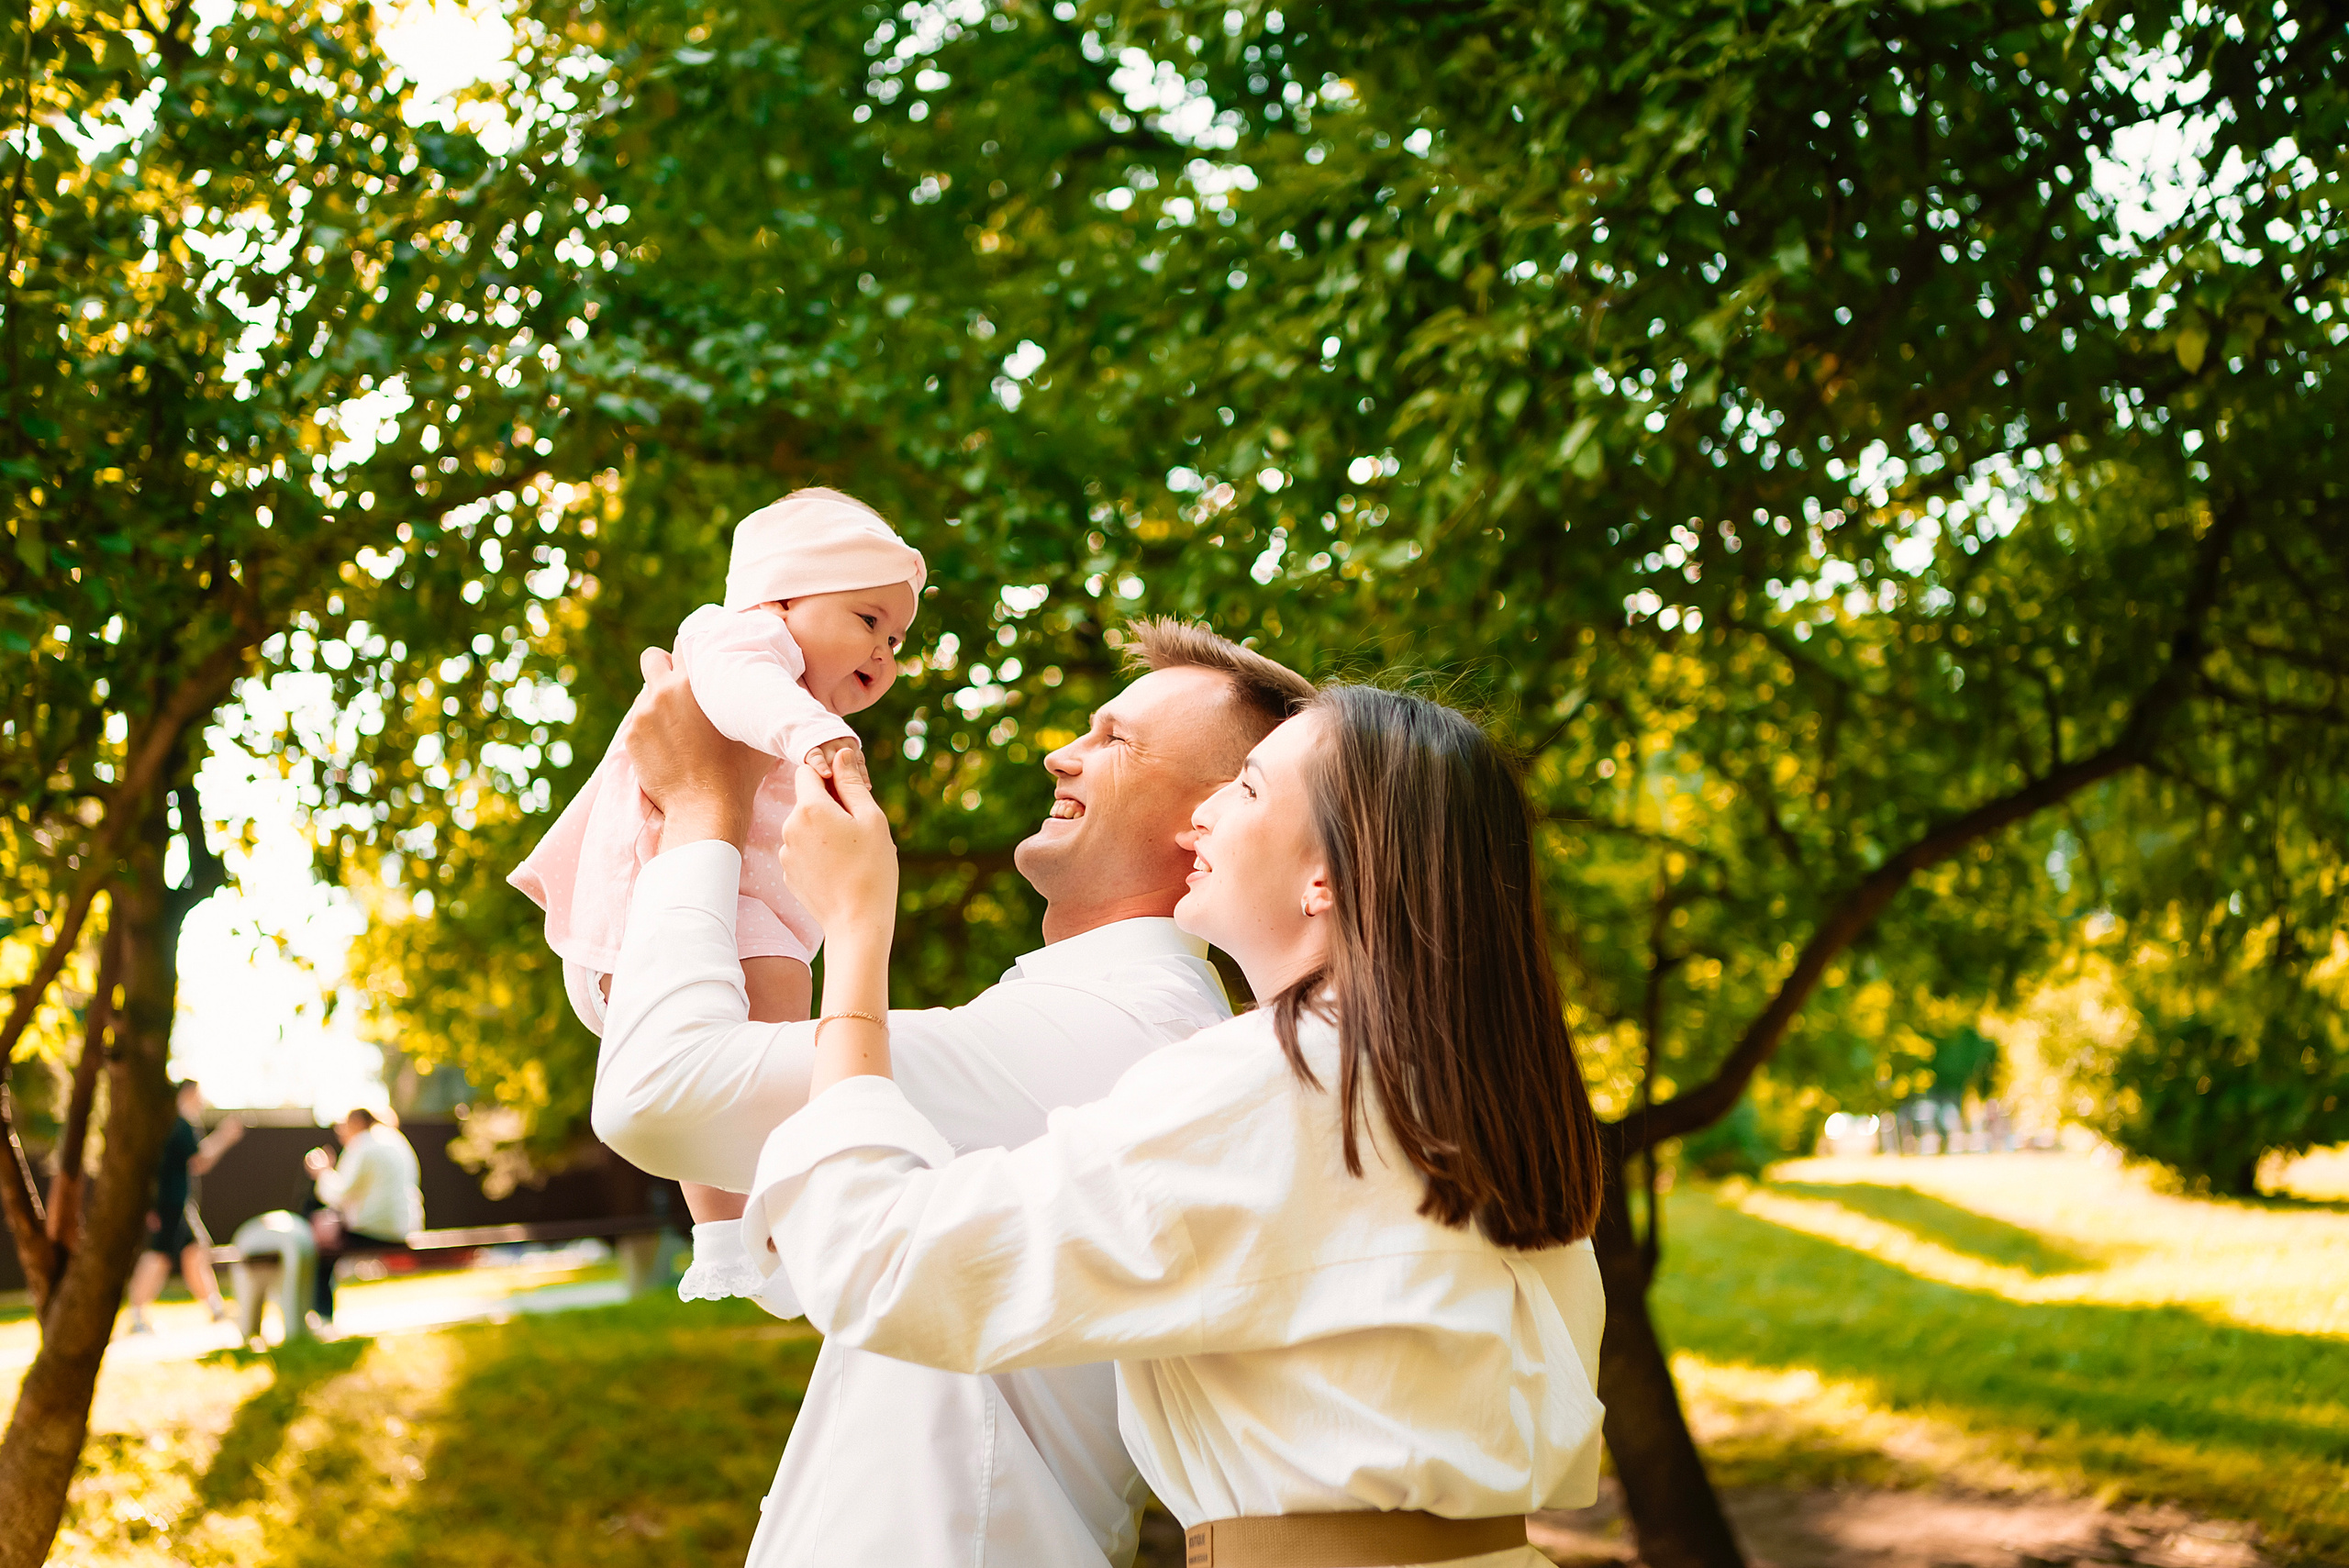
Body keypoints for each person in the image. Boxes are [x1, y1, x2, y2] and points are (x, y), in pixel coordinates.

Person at [719, 684, 1609, 1568]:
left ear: (1327, 876)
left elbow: (885, 1261)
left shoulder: (1275, 1083)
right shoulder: (1473, 1104)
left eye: (1249, 787)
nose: (1202, 815)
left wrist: (856, 932)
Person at [596, 618, 1316, 1567]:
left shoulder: (1117, 1032)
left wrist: (701, 811)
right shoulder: (1082, 1017)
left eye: (1114, 741)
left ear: (1217, 818)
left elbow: (658, 1095)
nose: (1062, 753)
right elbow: (805, 1258)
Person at [511, 486, 925, 1035]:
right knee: (781, 1025)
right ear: (781, 599)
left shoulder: (798, 704)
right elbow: (741, 684)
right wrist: (815, 734)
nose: (884, 652)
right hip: (655, 907)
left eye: (896, 639)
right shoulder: (743, 640)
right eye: (870, 621)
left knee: (781, 1016)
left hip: (722, 914)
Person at [124, 1080, 243, 1334]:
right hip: (172, 1204)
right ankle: (136, 1316)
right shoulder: (180, 1123)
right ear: (188, 1094)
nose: (202, 1101)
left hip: (176, 1203)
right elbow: (200, 1161)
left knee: (195, 1253)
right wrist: (225, 1136)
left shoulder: (169, 1124)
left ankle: (216, 1308)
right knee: (159, 1256)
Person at [303, 1106, 424, 1323]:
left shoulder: (363, 1145)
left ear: (357, 1122)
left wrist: (322, 1172)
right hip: (405, 1227)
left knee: (320, 1251)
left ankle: (322, 1318)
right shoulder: (396, 1140)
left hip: (374, 1230)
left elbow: (338, 1194)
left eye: (344, 1125)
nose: (340, 1131)